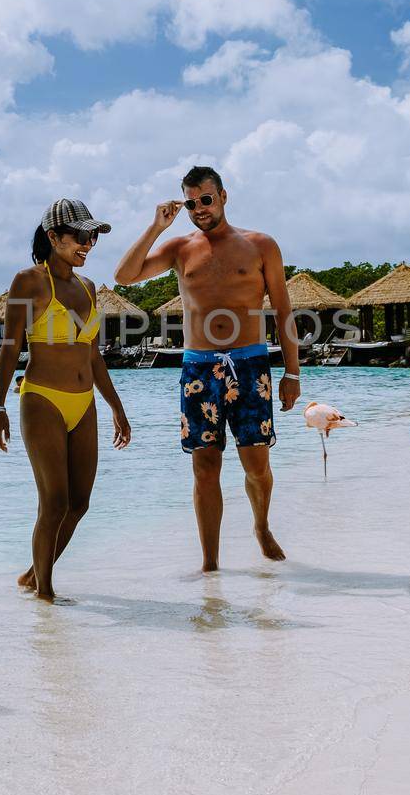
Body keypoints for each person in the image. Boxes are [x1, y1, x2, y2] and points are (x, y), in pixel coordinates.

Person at [114, 165, 300, 571]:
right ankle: (210, 564)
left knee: (256, 463)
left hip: (250, 364)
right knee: (204, 468)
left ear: (223, 196)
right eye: (191, 202)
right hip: (198, 368)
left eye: (206, 199)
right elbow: (124, 276)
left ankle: (262, 525)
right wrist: (156, 227)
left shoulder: (261, 245)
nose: (199, 208)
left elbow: (284, 311)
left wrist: (293, 373)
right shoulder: (180, 248)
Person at [0, 197, 131, 602]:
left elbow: (92, 353)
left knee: (79, 503)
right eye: (80, 236)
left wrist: (116, 407)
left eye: (92, 237)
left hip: (83, 402)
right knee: (53, 502)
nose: (87, 243)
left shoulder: (87, 288)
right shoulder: (28, 282)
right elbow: (10, 347)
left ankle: (35, 574)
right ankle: (46, 596)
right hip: (42, 401)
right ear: (53, 236)